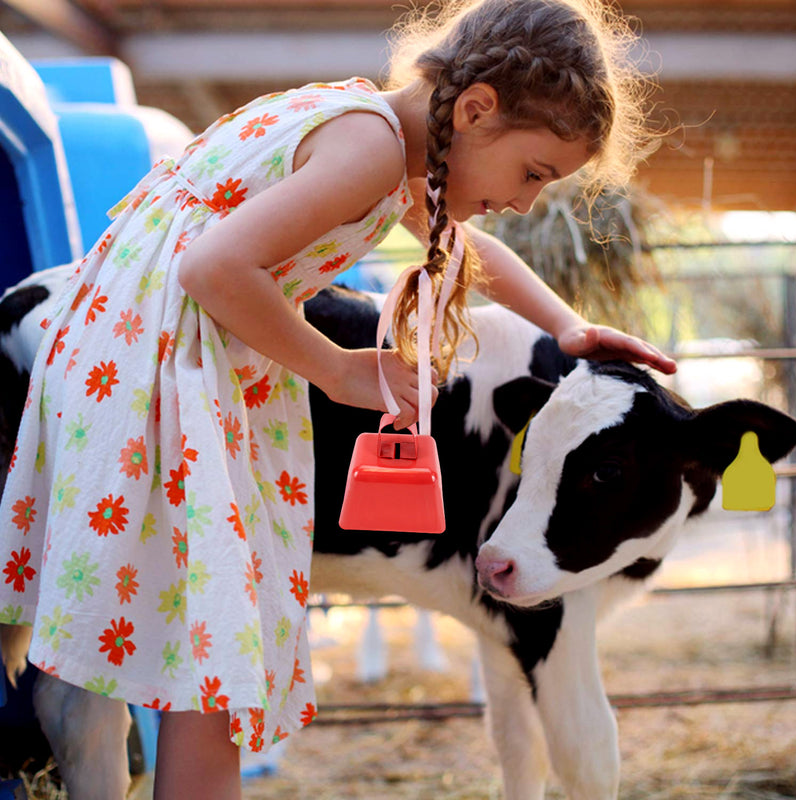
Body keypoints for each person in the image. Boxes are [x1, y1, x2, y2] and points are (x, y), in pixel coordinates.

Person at [0, 0, 676, 797]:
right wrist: (338, 370)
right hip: (163, 378)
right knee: (218, 666)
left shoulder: (380, 140)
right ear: (477, 108)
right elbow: (213, 271)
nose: (529, 201)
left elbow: (470, 251)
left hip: (133, 368)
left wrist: (568, 328)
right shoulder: (368, 148)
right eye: (532, 172)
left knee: (210, 660)